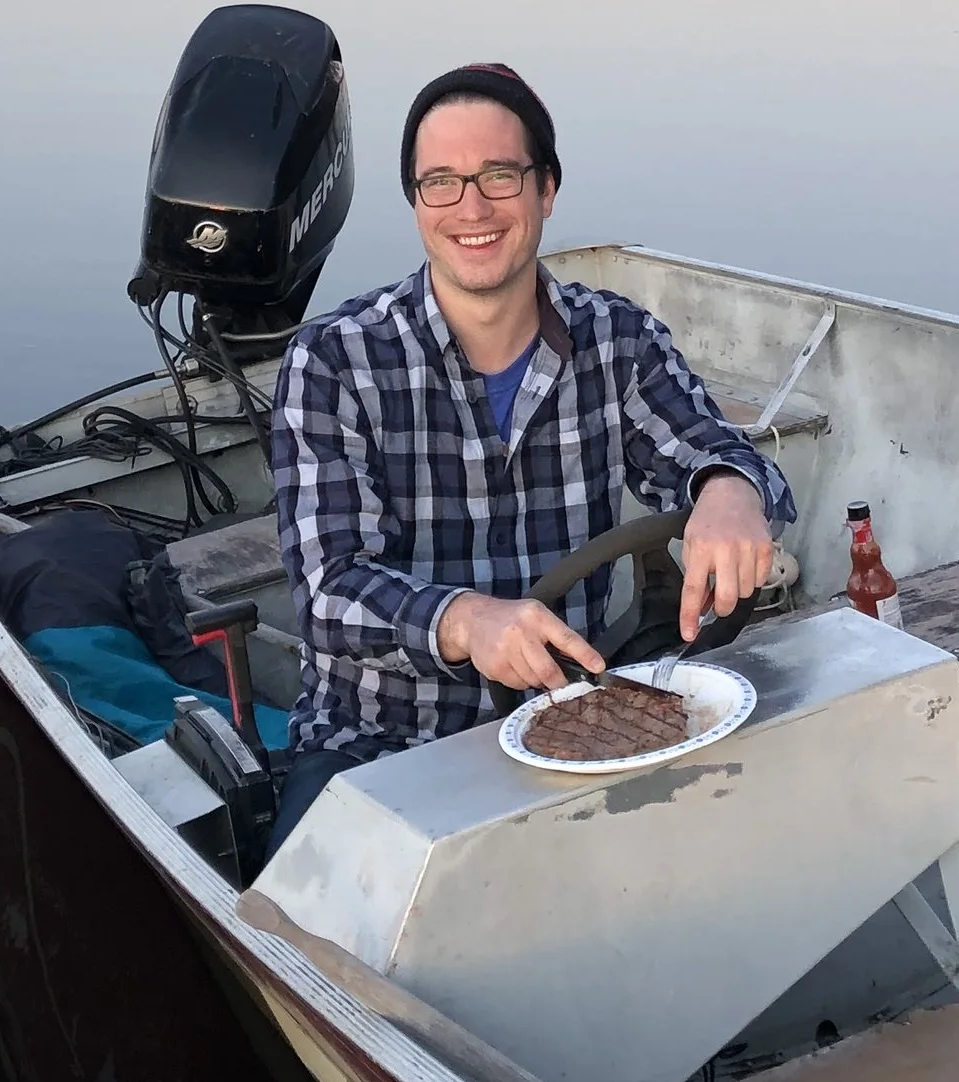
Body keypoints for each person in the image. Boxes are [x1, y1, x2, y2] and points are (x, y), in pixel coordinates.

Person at [267, 61, 796, 847]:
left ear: (546, 188)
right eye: (441, 181)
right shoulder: (333, 361)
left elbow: (717, 451)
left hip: (579, 729)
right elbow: (327, 592)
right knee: (306, 911)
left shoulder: (617, 340)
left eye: (499, 175)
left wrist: (727, 489)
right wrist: (465, 621)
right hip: (378, 744)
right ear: (415, 201)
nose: (471, 207)